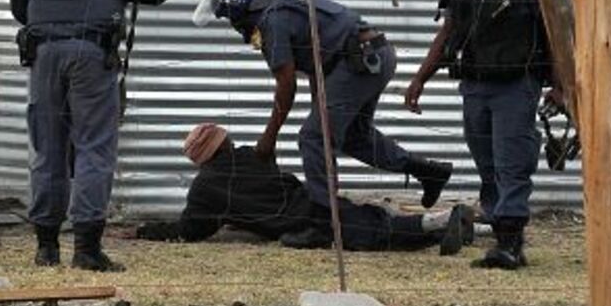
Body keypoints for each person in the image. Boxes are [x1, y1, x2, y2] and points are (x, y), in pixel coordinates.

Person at [10, 0, 181, 271]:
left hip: (42, 54)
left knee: (47, 148)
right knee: (93, 147)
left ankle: (46, 247)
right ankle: (86, 249)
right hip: (91, 54)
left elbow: (19, 6)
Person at [192, 0, 452, 212]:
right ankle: (427, 171)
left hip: (359, 61)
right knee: (352, 136)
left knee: (313, 138)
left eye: (225, 14)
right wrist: (320, 108)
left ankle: (323, 218)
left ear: (236, 8)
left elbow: (286, 86)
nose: (228, 21)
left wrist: (268, 139)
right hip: (372, 55)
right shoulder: (283, 6)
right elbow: (317, 63)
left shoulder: (272, 22)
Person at [404, 0, 552, 271]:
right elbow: (450, 28)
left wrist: (560, 85)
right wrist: (420, 77)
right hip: (474, 83)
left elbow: (554, 29)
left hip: (516, 83)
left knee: (511, 161)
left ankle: (510, 243)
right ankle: (499, 224)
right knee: (486, 160)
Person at [135, 124, 475, 255]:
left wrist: (144, 230)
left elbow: (191, 230)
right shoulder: (250, 157)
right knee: (370, 222)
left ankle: (446, 222)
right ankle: (447, 223)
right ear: (223, 145)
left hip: (304, 222)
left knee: (372, 232)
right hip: (312, 202)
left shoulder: (205, 189)